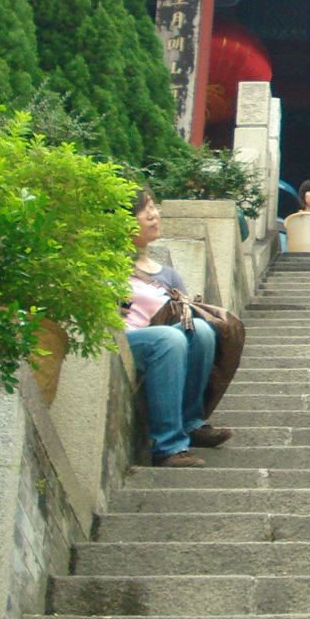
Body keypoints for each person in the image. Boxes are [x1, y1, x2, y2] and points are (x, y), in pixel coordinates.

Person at [123, 187, 233, 468]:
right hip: (126, 338)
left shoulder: (167, 274)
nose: (153, 215)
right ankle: (168, 446)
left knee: (202, 331)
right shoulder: (109, 264)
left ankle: (191, 422)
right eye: (143, 210)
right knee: (168, 338)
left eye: (153, 207)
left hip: (163, 337)